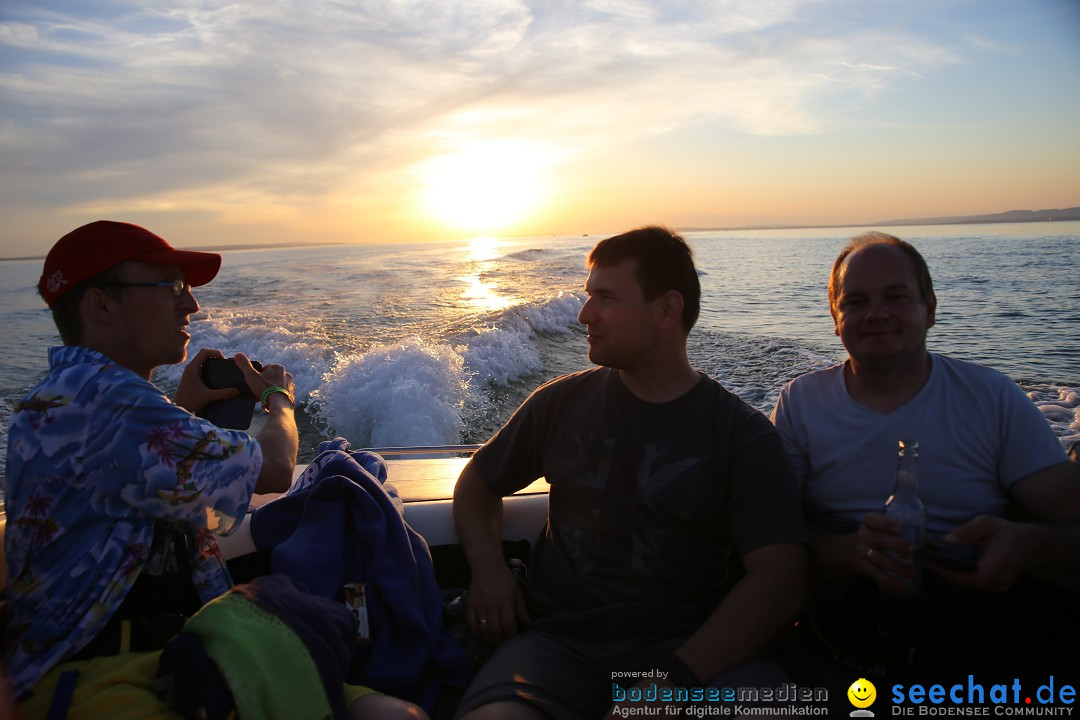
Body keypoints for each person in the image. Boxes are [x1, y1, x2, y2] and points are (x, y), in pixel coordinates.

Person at [3, 220, 425, 718]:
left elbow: (130, 469)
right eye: (171, 288)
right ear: (101, 305)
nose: (192, 304)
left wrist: (182, 411)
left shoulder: (64, 396)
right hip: (102, 675)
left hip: (166, 652)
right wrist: (279, 401)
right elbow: (274, 469)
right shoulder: (110, 402)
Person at [451, 226, 808, 719]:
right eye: (587, 296)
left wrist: (673, 681)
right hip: (560, 647)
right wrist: (488, 571)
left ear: (667, 310)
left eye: (605, 298)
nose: (584, 315)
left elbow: (781, 580)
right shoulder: (559, 404)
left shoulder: (740, 436)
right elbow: (478, 482)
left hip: (697, 654)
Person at [770, 231, 1080, 682]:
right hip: (844, 630)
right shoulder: (800, 402)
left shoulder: (992, 397)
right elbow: (773, 541)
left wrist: (1030, 547)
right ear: (835, 319)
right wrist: (852, 552)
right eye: (855, 301)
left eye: (895, 296)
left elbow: (1071, 520)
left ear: (929, 309)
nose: (876, 314)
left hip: (978, 623)